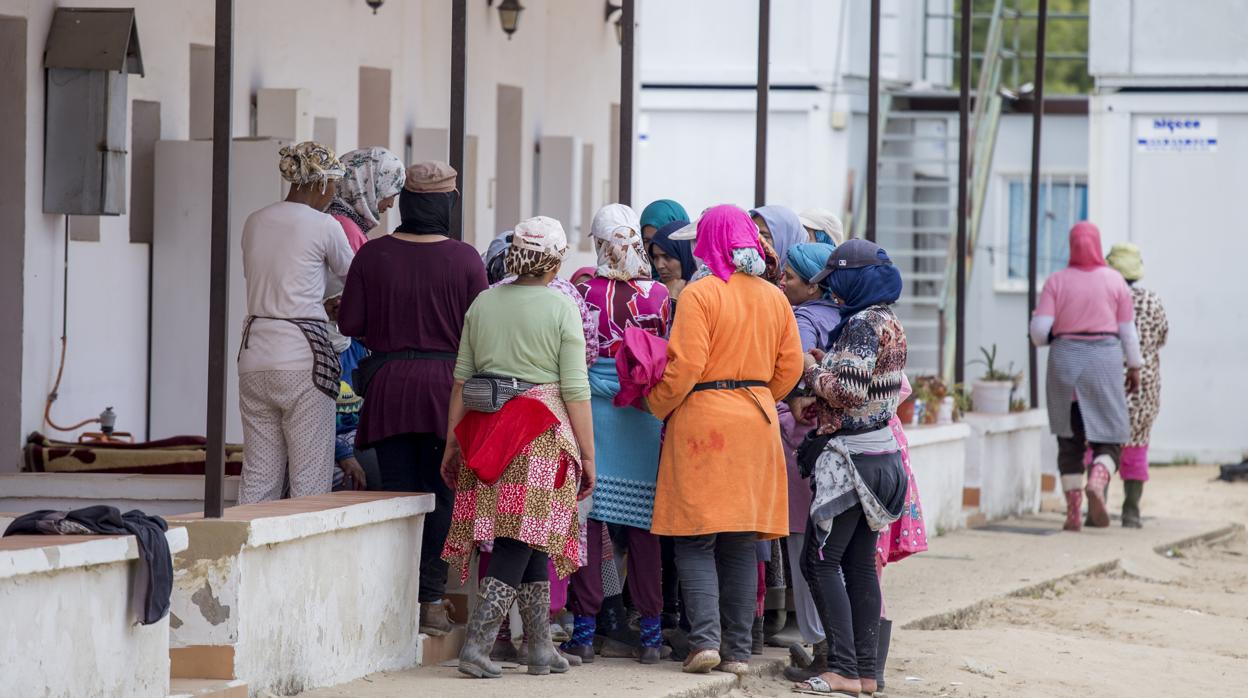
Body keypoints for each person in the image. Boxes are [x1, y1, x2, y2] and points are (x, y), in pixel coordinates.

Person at [646, 204, 803, 675]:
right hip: (756, 422)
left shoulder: (701, 294)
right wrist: (755, 396)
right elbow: (791, 368)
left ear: (709, 242)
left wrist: (657, 404)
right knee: (739, 540)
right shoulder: (774, 297)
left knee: (695, 538)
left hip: (703, 421)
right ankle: (737, 652)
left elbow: (686, 365)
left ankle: (704, 643)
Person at [337, 161, 488, 636]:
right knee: (443, 494)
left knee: (397, 496)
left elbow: (350, 325)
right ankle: (431, 600)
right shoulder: (465, 259)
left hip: (389, 389)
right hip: (448, 391)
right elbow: (481, 330)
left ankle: (396, 597)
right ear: (446, 204)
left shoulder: (373, 255)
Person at [441, 216, 596, 680]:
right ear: (554, 260)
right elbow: (575, 387)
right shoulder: (560, 307)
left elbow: (461, 379)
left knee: (534, 539)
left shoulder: (484, 303)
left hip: (486, 430)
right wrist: (588, 453)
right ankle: (477, 647)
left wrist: (453, 441)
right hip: (540, 436)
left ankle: (540, 648)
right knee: (519, 538)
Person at [792, 239, 909, 696]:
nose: (833, 293)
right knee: (859, 564)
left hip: (851, 461)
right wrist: (831, 365)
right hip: (882, 456)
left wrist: (809, 370)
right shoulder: (889, 321)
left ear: (854, 279)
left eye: (837, 282)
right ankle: (866, 673)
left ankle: (841, 667)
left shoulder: (861, 324)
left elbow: (848, 393)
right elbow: (868, 383)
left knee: (819, 560)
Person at [563, 204, 671, 665]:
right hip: (643, 414)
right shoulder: (661, 294)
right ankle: (649, 636)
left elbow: (576, 354)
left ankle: (584, 633)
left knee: (590, 525)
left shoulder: (581, 291)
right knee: (645, 531)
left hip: (593, 411)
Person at [236, 141, 352, 505]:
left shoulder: (255, 220)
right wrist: (334, 303)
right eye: (333, 185)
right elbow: (354, 276)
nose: (334, 194)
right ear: (319, 183)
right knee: (310, 477)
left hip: (254, 355)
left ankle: (246, 558)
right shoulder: (324, 225)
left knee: (259, 474)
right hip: (304, 359)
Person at [1030, 222, 1142, 532]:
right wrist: (1134, 367)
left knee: (1069, 443)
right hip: (1103, 363)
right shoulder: (1116, 282)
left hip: (1064, 362)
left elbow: (1039, 334)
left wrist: (1060, 335)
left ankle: (1073, 513)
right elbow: (1128, 334)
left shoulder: (1056, 281)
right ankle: (1098, 478)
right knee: (1111, 438)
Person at [775, 242, 838, 682]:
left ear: (813, 284)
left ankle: (822, 647)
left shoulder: (802, 323)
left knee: (804, 548)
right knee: (838, 552)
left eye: (790, 278)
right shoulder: (847, 318)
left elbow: (789, 380)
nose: (782, 283)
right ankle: (845, 647)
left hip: (803, 444)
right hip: (842, 452)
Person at [1105, 242, 1168, 528]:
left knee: (1102, 443)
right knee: (1137, 445)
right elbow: (1162, 338)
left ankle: (1099, 502)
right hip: (1143, 389)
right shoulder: (1152, 301)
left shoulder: (1105, 299)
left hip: (1106, 386)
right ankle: (1131, 511)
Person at [327, 146, 406, 251]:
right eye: (390, 194)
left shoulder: (340, 220)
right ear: (369, 186)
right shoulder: (346, 229)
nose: (391, 204)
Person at [648, 220, 697, 307]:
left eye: (667, 257)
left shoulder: (706, 292)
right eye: (655, 257)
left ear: (685, 254)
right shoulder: (649, 294)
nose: (659, 266)